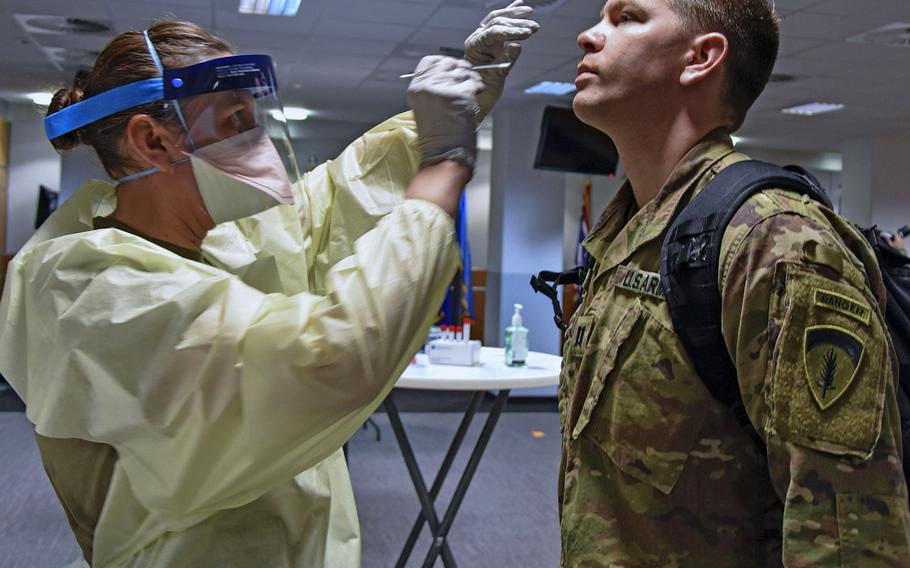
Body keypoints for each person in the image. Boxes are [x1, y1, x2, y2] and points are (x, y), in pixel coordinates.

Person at [0, 5, 539, 567]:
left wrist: (465, 95)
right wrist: (444, 167)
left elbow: (348, 192)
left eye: (254, 116)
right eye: (234, 121)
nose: (258, 141)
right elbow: (331, 358)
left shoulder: (233, 235)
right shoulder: (87, 290)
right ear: (153, 142)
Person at [557, 1, 910, 566]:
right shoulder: (626, 235)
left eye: (626, 17)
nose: (588, 36)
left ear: (701, 58)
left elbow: (849, 540)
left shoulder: (777, 243)